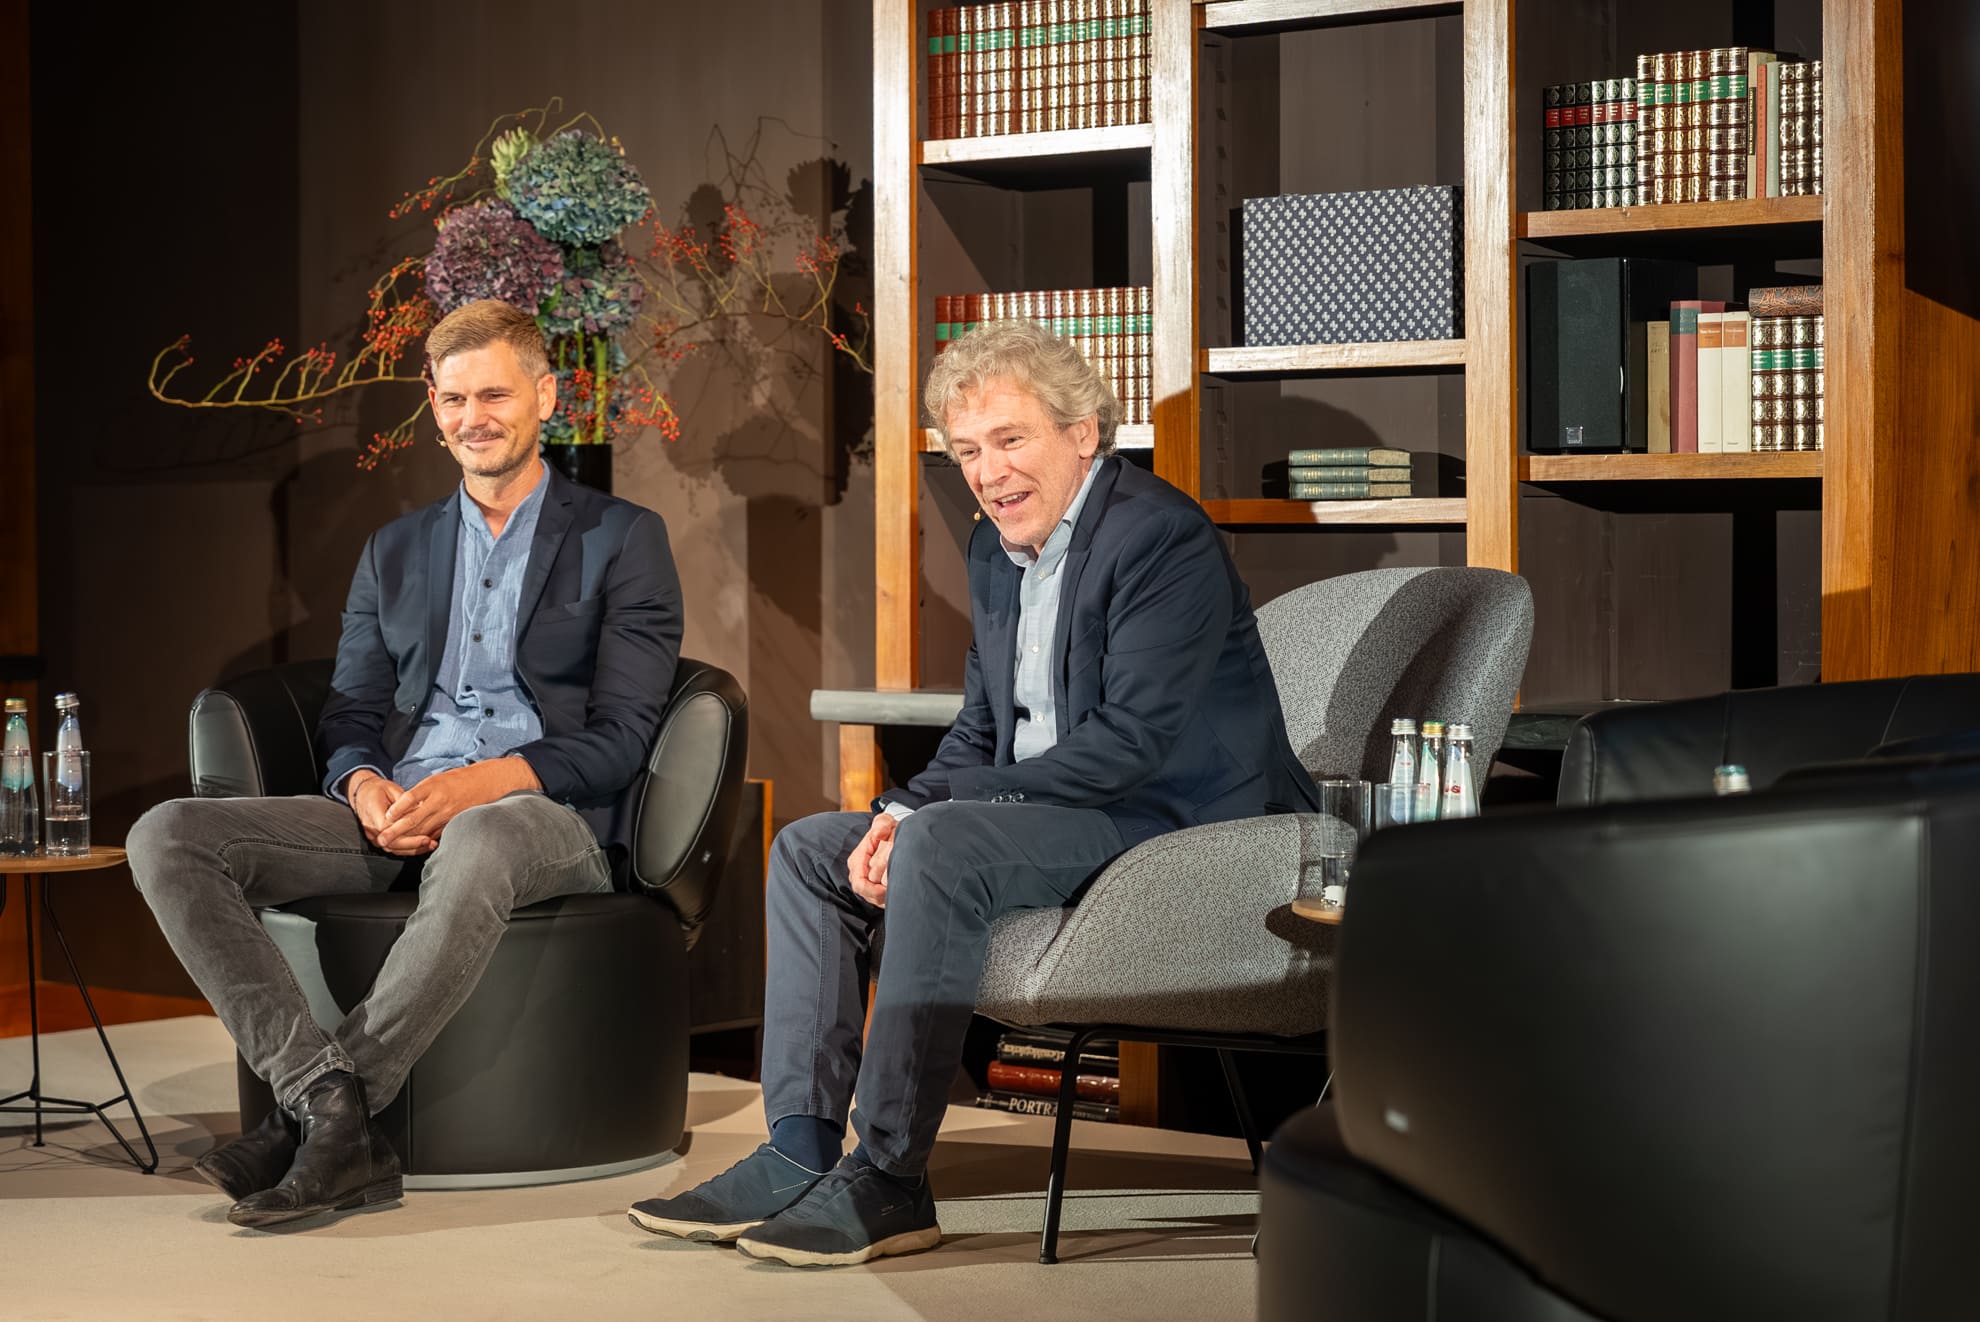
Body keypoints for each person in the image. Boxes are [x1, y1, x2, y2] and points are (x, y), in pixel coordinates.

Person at [628, 318, 1316, 1267]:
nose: (988, 473)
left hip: (1177, 828)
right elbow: (982, 730)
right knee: (814, 851)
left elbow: (1131, 745)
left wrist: (932, 818)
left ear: (1082, 433)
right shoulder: (996, 548)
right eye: (966, 451)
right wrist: (894, 812)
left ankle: (890, 1176)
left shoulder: (1163, 539)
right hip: (1065, 815)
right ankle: (797, 1148)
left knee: (942, 842)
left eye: (1010, 439)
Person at [129, 299, 683, 1229]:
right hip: (403, 804)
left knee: (481, 838)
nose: (475, 417)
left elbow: (624, 736)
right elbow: (351, 709)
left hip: (544, 816)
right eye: (455, 399)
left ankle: (319, 1120)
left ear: (546, 396)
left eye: (495, 394)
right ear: (434, 407)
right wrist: (363, 783)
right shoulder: (394, 550)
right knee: (168, 835)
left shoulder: (623, 538)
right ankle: (323, 1100)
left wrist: (480, 785)